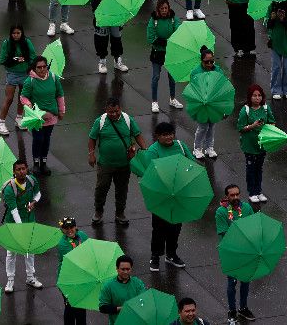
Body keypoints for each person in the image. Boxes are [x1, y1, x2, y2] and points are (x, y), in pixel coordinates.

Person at [89, 98, 147, 226]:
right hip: (105, 164)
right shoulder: (100, 121)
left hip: (124, 164)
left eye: (116, 111)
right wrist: (91, 154)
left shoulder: (128, 120)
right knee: (101, 188)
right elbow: (92, 138)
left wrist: (145, 150)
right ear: (106, 110)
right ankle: (98, 212)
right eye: (111, 112)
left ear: (120, 108)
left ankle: (120, 213)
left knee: (122, 190)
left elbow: (137, 135)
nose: (114, 114)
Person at [144, 121, 191, 271]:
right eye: (165, 135)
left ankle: (171, 254)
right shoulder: (153, 151)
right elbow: (150, 173)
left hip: (178, 194)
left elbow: (191, 163)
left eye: (171, 134)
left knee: (175, 227)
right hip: (161, 197)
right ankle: (155, 256)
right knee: (159, 228)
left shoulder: (181, 146)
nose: (169, 137)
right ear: (157, 136)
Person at [1, 159, 44, 292]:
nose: (21, 172)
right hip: (14, 223)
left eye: (23, 169)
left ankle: (30, 277)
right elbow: (13, 211)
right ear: (14, 172)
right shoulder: (9, 189)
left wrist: (34, 202)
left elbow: (38, 193)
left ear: (27, 169)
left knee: (29, 250)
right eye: (18, 169)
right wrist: (20, 229)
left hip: (29, 220)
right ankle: (10, 280)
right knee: (11, 252)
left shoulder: (32, 181)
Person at [216, 184, 256, 321]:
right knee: (232, 282)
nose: (235, 197)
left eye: (237, 194)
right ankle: (232, 310)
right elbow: (224, 234)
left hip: (246, 252)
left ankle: (243, 308)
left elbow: (253, 227)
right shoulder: (221, 212)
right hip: (231, 253)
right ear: (226, 197)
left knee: (245, 281)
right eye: (232, 195)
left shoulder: (247, 208)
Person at [20, 56, 65, 175]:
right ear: (34, 68)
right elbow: (23, 97)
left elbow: (60, 94)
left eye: (44, 67)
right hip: (37, 118)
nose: (42, 69)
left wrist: (61, 111)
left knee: (46, 139)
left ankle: (43, 163)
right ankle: (36, 164)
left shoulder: (54, 78)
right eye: (39, 67)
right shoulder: (30, 81)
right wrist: (28, 104)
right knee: (38, 139)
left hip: (51, 116)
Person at [237, 84, 275, 203]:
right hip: (249, 146)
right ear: (250, 97)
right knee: (251, 169)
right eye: (254, 96)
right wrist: (252, 126)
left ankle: (258, 191)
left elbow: (272, 122)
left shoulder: (265, 108)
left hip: (261, 144)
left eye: (259, 96)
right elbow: (240, 128)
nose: (257, 98)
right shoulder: (245, 110)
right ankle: (252, 192)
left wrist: (266, 128)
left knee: (259, 168)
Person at [147, 0, 183, 113]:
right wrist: (169, 41)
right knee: (156, 77)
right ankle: (154, 102)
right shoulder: (153, 20)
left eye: (166, 8)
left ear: (169, 8)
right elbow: (151, 38)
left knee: (172, 78)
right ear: (158, 9)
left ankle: (172, 99)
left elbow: (179, 28)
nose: (164, 10)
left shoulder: (173, 19)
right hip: (158, 53)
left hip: (170, 53)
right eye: (161, 8)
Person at [191, 47, 224, 159]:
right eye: (206, 62)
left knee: (211, 126)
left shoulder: (218, 70)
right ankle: (197, 148)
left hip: (213, 103)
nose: (209, 64)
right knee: (203, 126)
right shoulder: (196, 72)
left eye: (211, 61)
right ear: (201, 61)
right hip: (201, 104)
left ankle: (209, 147)